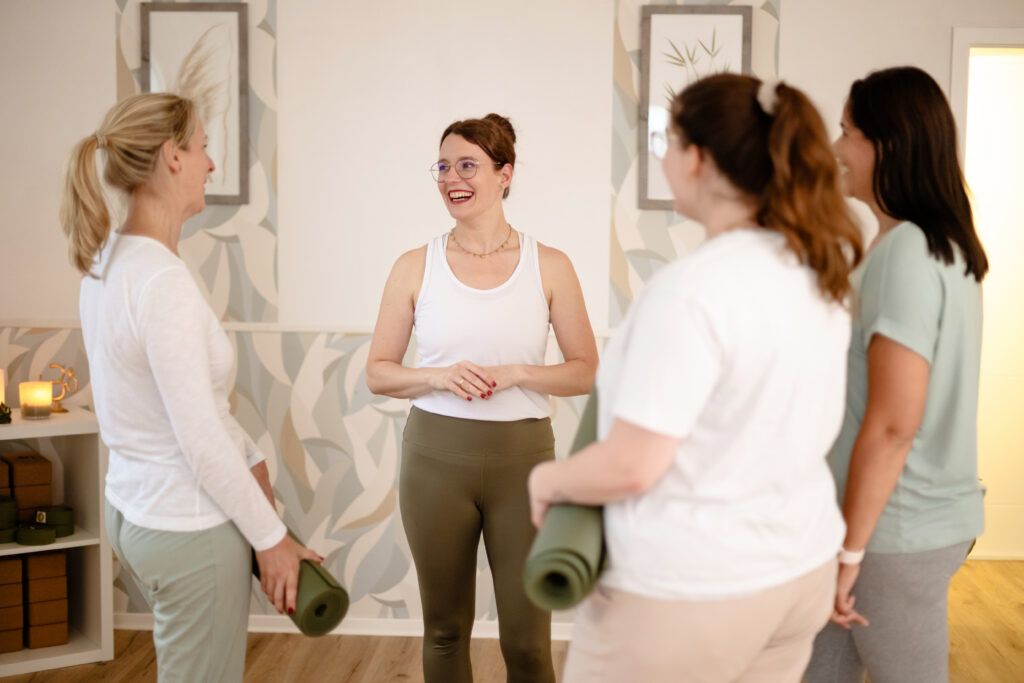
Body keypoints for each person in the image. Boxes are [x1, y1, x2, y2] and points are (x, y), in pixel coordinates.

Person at [528, 74, 864, 682]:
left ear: (697, 158)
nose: (661, 155)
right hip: (796, 574)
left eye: (668, 139)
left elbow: (633, 465)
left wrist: (549, 477)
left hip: (693, 590)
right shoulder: (818, 276)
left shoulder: (693, 290)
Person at [61, 93, 322, 682]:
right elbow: (199, 436)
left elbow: (183, 408)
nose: (211, 163)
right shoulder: (161, 283)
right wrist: (272, 540)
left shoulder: (108, 262)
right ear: (172, 158)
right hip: (187, 531)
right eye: (203, 147)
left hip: (135, 514)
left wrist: (253, 463)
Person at [366, 113, 598, 683]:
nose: (451, 178)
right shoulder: (414, 266)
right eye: (442, 167)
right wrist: (438, 378)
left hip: (524, 461)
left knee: (527, 641)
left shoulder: (551, 265)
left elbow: (585, 372)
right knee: (445, 631)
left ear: (505, 174)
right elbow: (378, 373)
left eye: (467, 165)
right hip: (434, 461)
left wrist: (521, 371)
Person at [805, 66, 988, 683]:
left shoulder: (910, 251)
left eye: (848, 132)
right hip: (878, 525)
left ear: (888, 143)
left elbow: (892, 424)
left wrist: (853, 550)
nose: (836, 149)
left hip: (891, 531)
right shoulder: (935, 246)